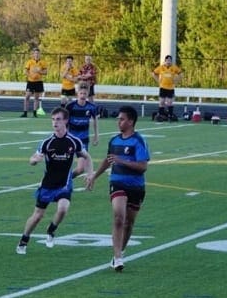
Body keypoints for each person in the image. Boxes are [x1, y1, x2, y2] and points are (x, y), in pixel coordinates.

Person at [16, 107, 92, 254]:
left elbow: (86, 157)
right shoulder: (47, 143)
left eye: (58, 119)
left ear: (66, 121)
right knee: (38, 215)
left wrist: (90, 174)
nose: (55, 122)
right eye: (53, 119)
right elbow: (32, 159)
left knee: (63, 208)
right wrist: (34, 160)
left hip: (64, 184)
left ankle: (51, 230)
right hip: (48, 184)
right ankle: (24, 240)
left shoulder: (74, 141)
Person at [86, 105, 150, 272]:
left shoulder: (138, 141)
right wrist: (94, 175)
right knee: (118, 218)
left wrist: (122, 161)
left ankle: (120, 250)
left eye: (121, 119)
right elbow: (108, 160)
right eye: (118, 119)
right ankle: (117, 257)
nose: (118, 122)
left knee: (129, 223)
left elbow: (143, 166)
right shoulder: (114, 140)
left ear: (130, 121)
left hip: (136, 186)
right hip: (117, 183)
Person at [65, 83, 99, 177]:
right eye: (81, 93)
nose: (83, 95)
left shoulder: (92, 107)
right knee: (64, 165)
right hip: (70, 139)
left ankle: (66, 179)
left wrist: (96, 136)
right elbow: (64, 122)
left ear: (88, 94)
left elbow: (95, 122)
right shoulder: (70, 106)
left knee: (80, 169)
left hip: (83, 141)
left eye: (85, 93)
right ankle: (60, 181)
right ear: (77, 94)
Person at [151, 55, 182, 121]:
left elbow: (180, 74)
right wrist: (158, 81)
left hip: (170, 88)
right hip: (163, 87)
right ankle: (161, 116)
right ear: (165, 61)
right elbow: (154, 73)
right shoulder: (161, 67)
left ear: (171, 61)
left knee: (169, 102)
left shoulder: (174, 68)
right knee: (161, 102)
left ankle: (170, 116)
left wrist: (176, 81)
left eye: (170, 60)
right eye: (167, 60)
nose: (168, 62)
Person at [22, 47, 48, 117]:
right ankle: (25, 113)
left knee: (36, 98)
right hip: (30, 82)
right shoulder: (29, 62)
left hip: (38, 82)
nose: (36, 55)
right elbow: (25, 71)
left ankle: (34, 113)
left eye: (38, 53)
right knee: (27, 97)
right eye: (35, 53)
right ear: (33, 54)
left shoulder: (43, 62)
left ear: (40, 54)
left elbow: (45, 72)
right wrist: (30, 75)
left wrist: (39, 71)